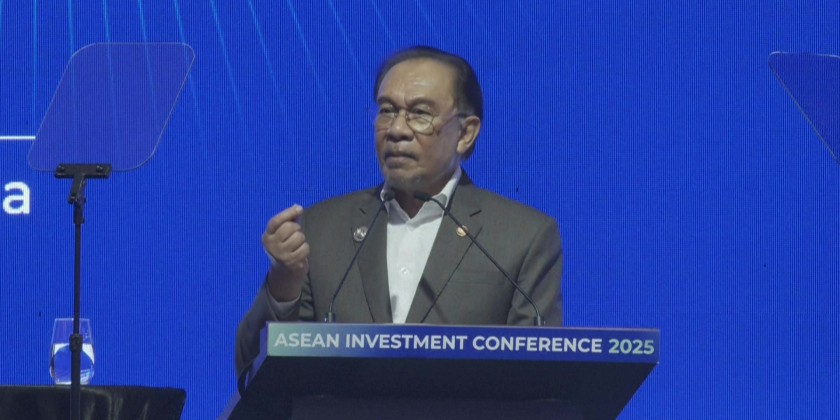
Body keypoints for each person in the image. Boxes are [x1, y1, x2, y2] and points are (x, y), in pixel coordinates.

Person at [235, 46, 562, 383]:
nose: (396, 130)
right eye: (387, 111)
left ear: (465, 133)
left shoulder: (521, 237)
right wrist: (284, 285)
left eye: (420, 114)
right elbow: (251, 372)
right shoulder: (322, 228)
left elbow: (537, 380)